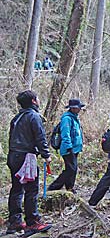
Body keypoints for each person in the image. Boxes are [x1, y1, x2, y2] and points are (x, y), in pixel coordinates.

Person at [7, 90, 52, 235]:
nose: (39, 100)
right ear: (34, 101)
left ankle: (15, 221)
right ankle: (32, 222)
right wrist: (46, 155)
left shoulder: (16, 118)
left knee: (16, 188)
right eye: (37, 98)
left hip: (13, 155)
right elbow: (40, 137)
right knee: (31, 189)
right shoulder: (34, 116)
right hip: (26, 157)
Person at [48, 99, 84, 193]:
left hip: (75, 148)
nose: (79, 109)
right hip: (69, 149)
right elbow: (65, 134)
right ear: (72, 108)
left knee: (73, 169)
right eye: (77, 108)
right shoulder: (66, 119)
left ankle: (70, 187)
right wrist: (69, 147)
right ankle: (54, 187)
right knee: (71, 169)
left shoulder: (74, 118)